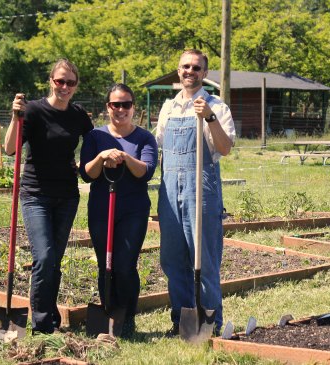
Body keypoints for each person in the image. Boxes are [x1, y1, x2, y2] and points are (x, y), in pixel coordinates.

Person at [4, 58, 94, 334]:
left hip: (67, 195)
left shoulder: (78, 115)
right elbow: (9, 149)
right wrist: (14, 117)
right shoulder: (32, 111)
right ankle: (42, 324)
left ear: (76, 86)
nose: (64, 86)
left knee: (54, 260)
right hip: (36, 194)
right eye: (59, 81)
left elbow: (94, 143)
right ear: (51, 81)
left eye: (70, 82)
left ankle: (50, 314)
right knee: (43, 257)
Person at [156, 49, 236, 336]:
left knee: (205, 257)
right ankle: (182, 321)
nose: (190, 71)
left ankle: (210, 323)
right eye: (185, 66)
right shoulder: (168, 108)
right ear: (178, 71)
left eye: (196, 68)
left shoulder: (217, 105)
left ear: (204, 73)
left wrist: (210, 118)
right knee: (173, 258)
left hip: (200, 189)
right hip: (169, 191)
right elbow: (160, 147)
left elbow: (225, 149)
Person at [80, 83, 158, 338]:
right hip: (102, 208)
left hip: (133, 209)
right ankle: (108, 313)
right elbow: (87, 174)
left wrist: (125, 157)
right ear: (108, 107)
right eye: (116, 104)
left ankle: (128, 316)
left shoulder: (145, 138)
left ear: (133, 107)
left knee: (125, 265)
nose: (121, 109)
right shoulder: (95, 137)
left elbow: (145, 172)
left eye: (126, 104)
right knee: (106, 264)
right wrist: (102, 156)